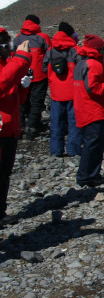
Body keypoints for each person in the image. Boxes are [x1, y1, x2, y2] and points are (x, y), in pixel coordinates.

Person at [73, 34, 104, 187]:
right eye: (103, 49)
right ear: (99, 49)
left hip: (82, 107)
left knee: (90, 142)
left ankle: (87, 174)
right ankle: (87, 176)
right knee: (94, 143)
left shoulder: (81, 62)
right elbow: (93, 87)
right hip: (93, 109)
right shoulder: (94, 64)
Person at [0, 34, 31, 225]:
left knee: (4, 172)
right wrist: (20, 60)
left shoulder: (6, 62)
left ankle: (0, 212)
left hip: (9, 126)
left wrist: (23, 86)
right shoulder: (9, 63)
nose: (9, 45)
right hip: (3, 126)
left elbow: (12, 92)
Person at [42, 22, 81, 157]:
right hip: (73, 92)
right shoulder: (74, 49)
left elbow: (44, 68)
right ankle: (73, 149)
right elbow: (81, 68)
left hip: (56, 93)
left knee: (56, 122)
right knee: (74, 122)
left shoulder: (50, 50)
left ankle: (56, 150)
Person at [13, 14, 51, 139]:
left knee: (23, 101)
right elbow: (49, 54)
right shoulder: (42, 37)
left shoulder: (18, 38)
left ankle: (21, 126)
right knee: (37, 101)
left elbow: (13, 55)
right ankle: (33, 127)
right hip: (39, 74)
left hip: (22, 74)